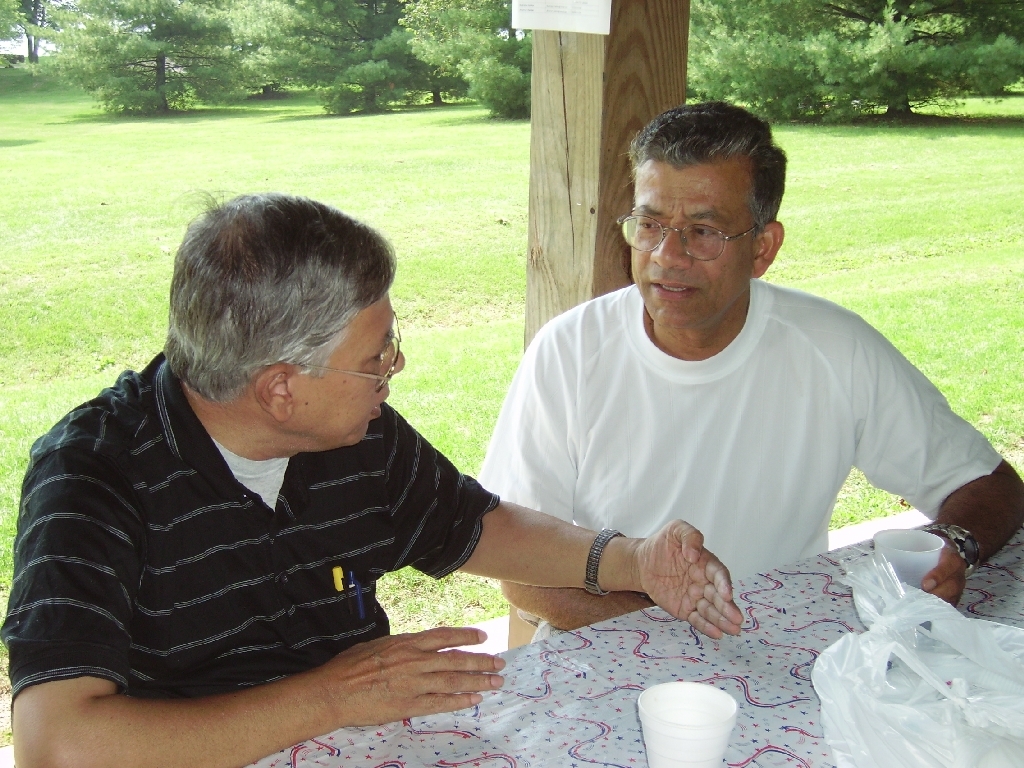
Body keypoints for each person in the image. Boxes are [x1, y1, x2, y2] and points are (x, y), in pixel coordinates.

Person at [1, 193, 743, 768]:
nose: (395, 366)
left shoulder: (353, 431)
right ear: (280, 389)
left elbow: (473, 525)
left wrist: (633, 561)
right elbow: (57, 746)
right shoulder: (91, 476)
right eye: (375, 356)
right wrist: (329, 698)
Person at [479, 101, 1024, 636]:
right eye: (649, 224)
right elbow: (521, 571)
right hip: (611, 649)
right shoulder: (570, 351)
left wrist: (954, 546)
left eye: (703, 231)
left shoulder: (833, 348)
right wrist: (681, 639)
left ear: (763, 248)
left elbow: (988, 484)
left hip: (781, 646)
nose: (668, 255)